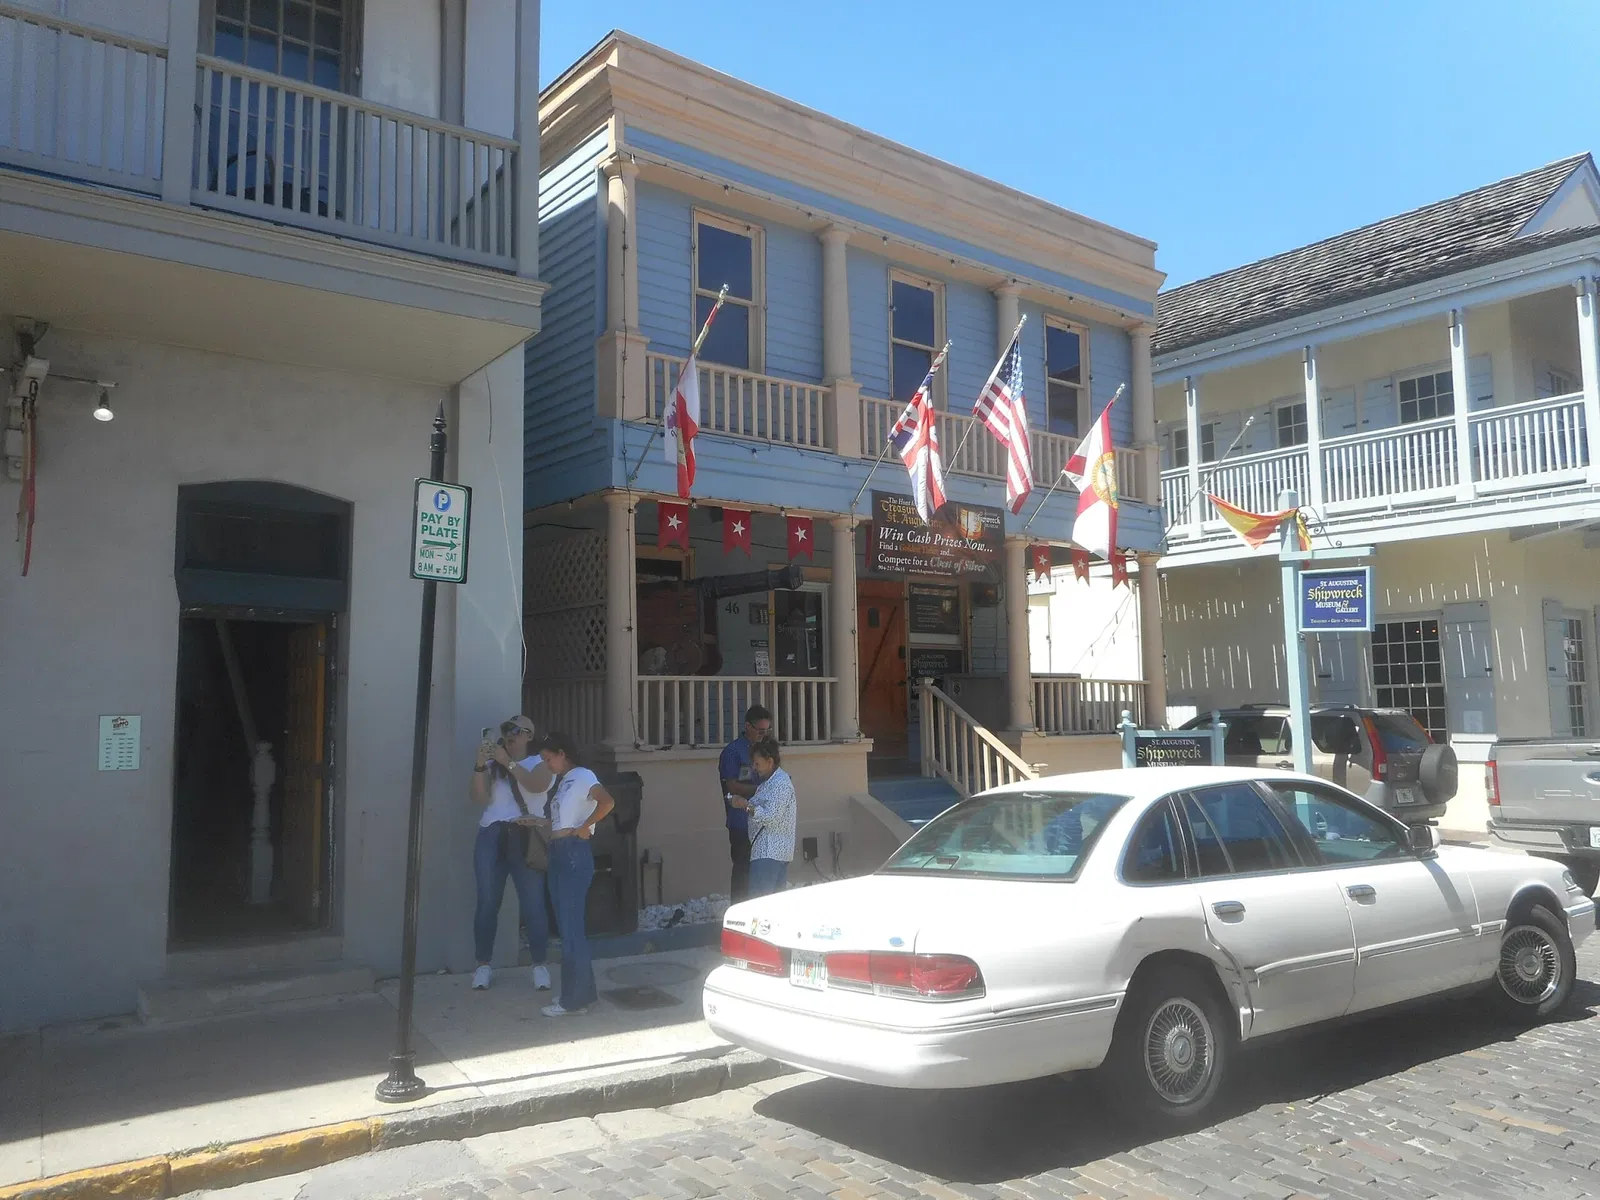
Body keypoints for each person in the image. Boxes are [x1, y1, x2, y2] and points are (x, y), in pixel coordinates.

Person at [470, 716, 554, 992]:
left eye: (517, 731)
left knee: (533, 903)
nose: (510, 735)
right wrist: (481, 764)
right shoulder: (494, 766)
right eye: (507, 730)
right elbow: (479, 799)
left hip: (526, 834)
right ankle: (483, 966)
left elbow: (536, 785)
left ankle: (539, 965)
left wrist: (507, 762)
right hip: (492, 834)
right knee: (487, 901)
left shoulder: (539, 763)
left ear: (529, 736)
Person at [538, 732, 616, 1017]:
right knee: (568, 927)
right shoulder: (564, 783)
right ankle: (581, 994)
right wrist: (537, 821)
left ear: (562, 753)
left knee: (571, 928)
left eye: (549, 759)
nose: (548, 764)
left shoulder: (583, 775)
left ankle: (574, 999)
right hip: (559, 849)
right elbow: (561, 819)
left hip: (573, 850)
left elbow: (606, 802)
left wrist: (586, 826)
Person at [718, 705, 772, 902]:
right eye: (760, 731)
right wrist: (762, 790)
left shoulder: (765, 750)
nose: (763, 735)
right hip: (741, 822)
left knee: (762, 872)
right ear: (748, 726)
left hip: (763, 820)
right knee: (743, 872)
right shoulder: (733, 752)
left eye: (767, 731)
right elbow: (732, 786)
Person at [729, 739, 796, 897]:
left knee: (759, 903)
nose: (754, 768)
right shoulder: (768, 783)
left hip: (769, 852)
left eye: (757, 764)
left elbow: (771, 817)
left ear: (770, 761)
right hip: (769, 851)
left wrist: (746, 805)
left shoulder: (780, 784)